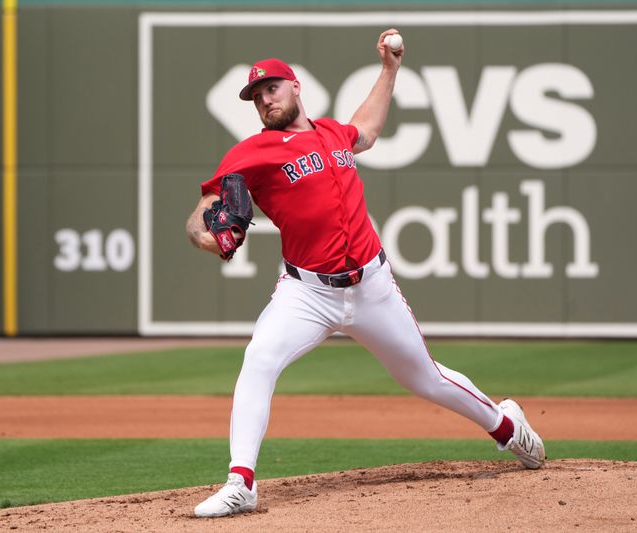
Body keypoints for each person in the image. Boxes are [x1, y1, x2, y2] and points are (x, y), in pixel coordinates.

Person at [185, 29, 545, 519]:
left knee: (425, 378)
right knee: (259, 358)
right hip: (306, 292)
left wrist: (390, 69)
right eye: (255, 95)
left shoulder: (334, 134)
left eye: (271, 87)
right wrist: (207, 237)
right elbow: (203, 210)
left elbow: (367, 130)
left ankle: (506, 426)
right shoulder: (252, 154)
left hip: (372, 287)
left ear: (294, 86)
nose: (264, 98)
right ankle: (241, 482)